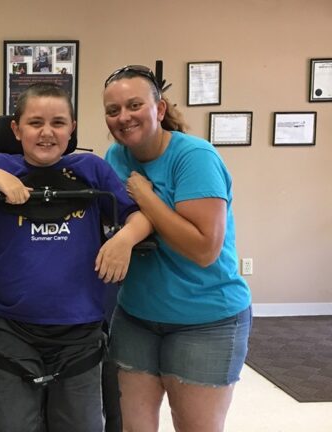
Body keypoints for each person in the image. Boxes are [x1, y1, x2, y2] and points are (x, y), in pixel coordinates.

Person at [0, 83, 152, 432]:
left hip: (80, 331)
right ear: (16, 129)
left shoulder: (91, 169)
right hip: (10, 328)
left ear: (72, 128)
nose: (46, 132)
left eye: (58, 123)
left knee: (82, 425)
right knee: (14, 425)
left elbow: (139, 215)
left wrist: (125, 239)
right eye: (35, 122)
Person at [102, 65, 252, 432]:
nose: (124, 117)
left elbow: (204, 249)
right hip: (136, 316)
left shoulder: (194, 157)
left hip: (204, 320)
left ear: (160, 109)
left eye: (134, 105)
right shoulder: (115, 157)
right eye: (113, 110)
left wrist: (146, 197)